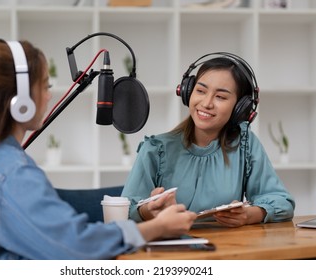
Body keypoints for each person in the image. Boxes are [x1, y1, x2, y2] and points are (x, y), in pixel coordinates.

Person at [0, 38, 196, 260]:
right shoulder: (10, 173)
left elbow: (57, 225)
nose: (49, 96)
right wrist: (158, 228)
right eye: (45, 86)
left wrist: (140, 212)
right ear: (21, 102)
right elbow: (76, 246)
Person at [121, 53, 295, 227]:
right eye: (201, 91)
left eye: (220, 97)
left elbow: (282, 202)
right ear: (187, 92)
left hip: (227, 249)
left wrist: (250, 215)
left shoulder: (245, 144)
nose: (206, 103)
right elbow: (123, 211)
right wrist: (147, 211)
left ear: (240, 108)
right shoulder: (155, 149)